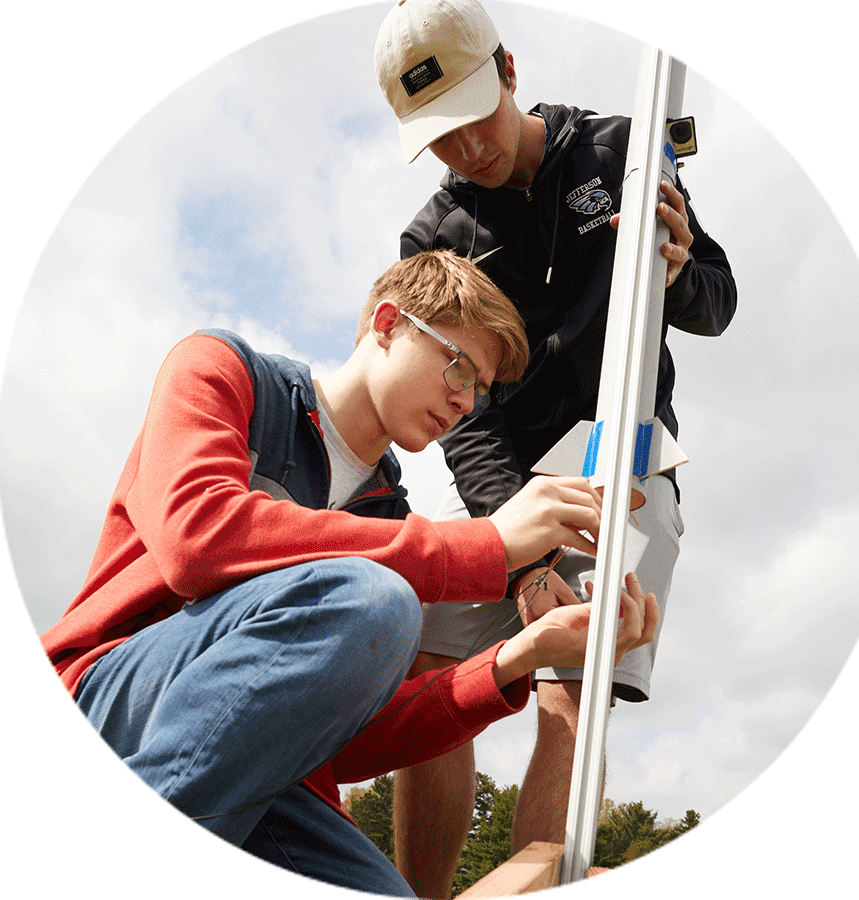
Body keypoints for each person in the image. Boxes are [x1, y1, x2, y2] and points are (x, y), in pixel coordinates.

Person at [40, 250, 657, 897]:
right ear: (387, 324)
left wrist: (516, 656)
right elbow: (197, 540)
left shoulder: (389, 519)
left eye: (480, 390)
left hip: (265, 773)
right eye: (459, 365)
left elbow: (351, 734)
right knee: (375, 598)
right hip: (109, 700)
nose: (466, 400)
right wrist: (487, 546)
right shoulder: (223, 369)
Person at [374, 2, 738, 896]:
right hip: (502, 487)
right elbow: (468, 419)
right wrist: (518, 560)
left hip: (625, 458)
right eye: (440, 140)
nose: (467, 152)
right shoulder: (436, 237)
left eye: (472, 121)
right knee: (427, 670)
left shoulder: (627, 147)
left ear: (507, 69)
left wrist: (679, 270)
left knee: (570, 684)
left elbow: (719, 303)